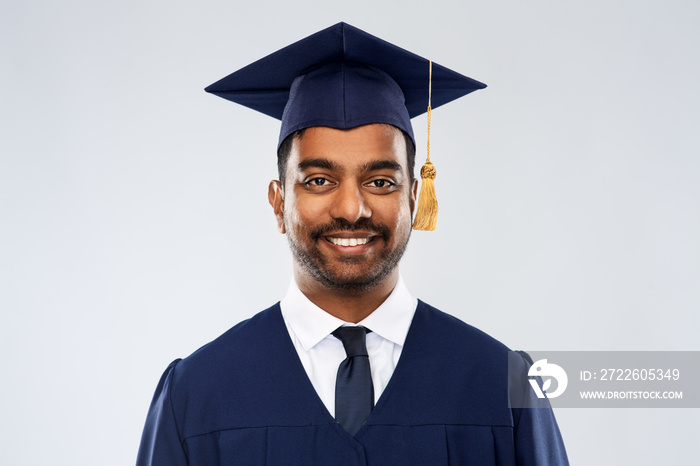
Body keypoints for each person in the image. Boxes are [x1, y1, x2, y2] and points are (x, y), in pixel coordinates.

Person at [136, 22, 569, 465]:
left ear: (414, 199)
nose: (350, 208)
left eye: (380, 181)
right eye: (319, 180)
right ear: (278, 202)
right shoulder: (196, 393)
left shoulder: (504, 388)